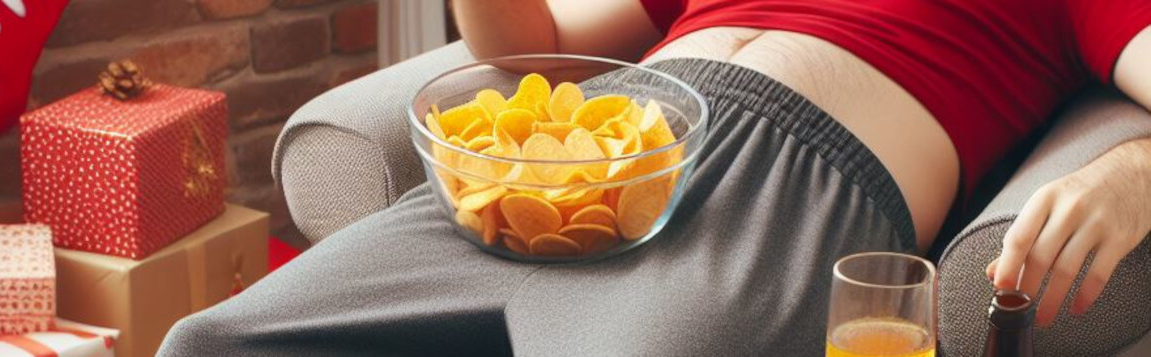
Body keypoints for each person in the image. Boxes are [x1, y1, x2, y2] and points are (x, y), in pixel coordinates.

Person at [158, 1, 1151, 355]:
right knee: (213, 341)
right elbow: (531, 41)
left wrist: (1133, 173)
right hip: (579, 161)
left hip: (786, 183)